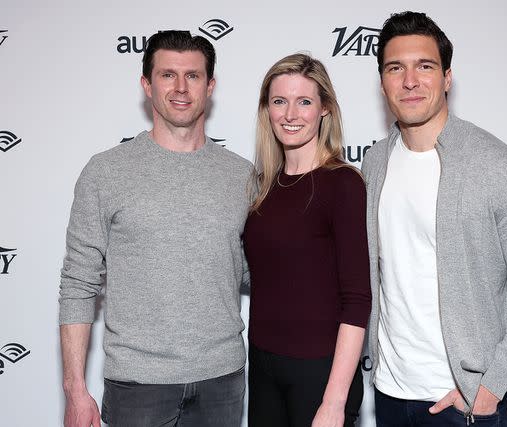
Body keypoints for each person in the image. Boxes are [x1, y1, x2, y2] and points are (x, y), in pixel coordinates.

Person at [361, 11, 507, 427]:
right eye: (396, 68)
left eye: (425, 66)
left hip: (464, 405)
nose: (410, 81)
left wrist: (489, 385)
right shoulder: (374, 163)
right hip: (389, 392)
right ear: (382, 81)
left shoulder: (501, 167)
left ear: (447, 77)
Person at [58, 30, 252, 427]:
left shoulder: (242, 176)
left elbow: (255, 270)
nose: (180, 88)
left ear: (210, 85)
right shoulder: (106, 172)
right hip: (137, 386)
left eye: (193, 76)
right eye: (167, 75)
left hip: (222, 381)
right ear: (147, 84)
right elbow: (78, 283)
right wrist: (76, 391)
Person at [242, 53, 371, 427]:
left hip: (320, 377)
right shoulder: (264, 186)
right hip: (264, 369)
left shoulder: (343, 184)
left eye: (304, 102)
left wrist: (334, 401)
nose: (290, 114)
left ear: (324, 109)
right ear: (267, 110)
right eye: (279, 101)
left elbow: (357, 299)